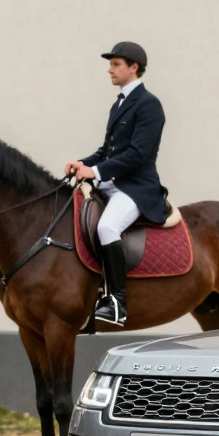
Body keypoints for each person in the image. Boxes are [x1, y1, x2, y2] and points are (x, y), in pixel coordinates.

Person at [65, 42, 168, 325]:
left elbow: (137, 155)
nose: (110, 69)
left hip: (137, 187)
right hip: (114, 182)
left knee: (107, 226)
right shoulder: (119, 103)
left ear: (133, 67)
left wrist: (95, 171)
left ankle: (117, 303)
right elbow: (107, 151)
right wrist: (83, 164)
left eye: (116, 64)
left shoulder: (149, 105)